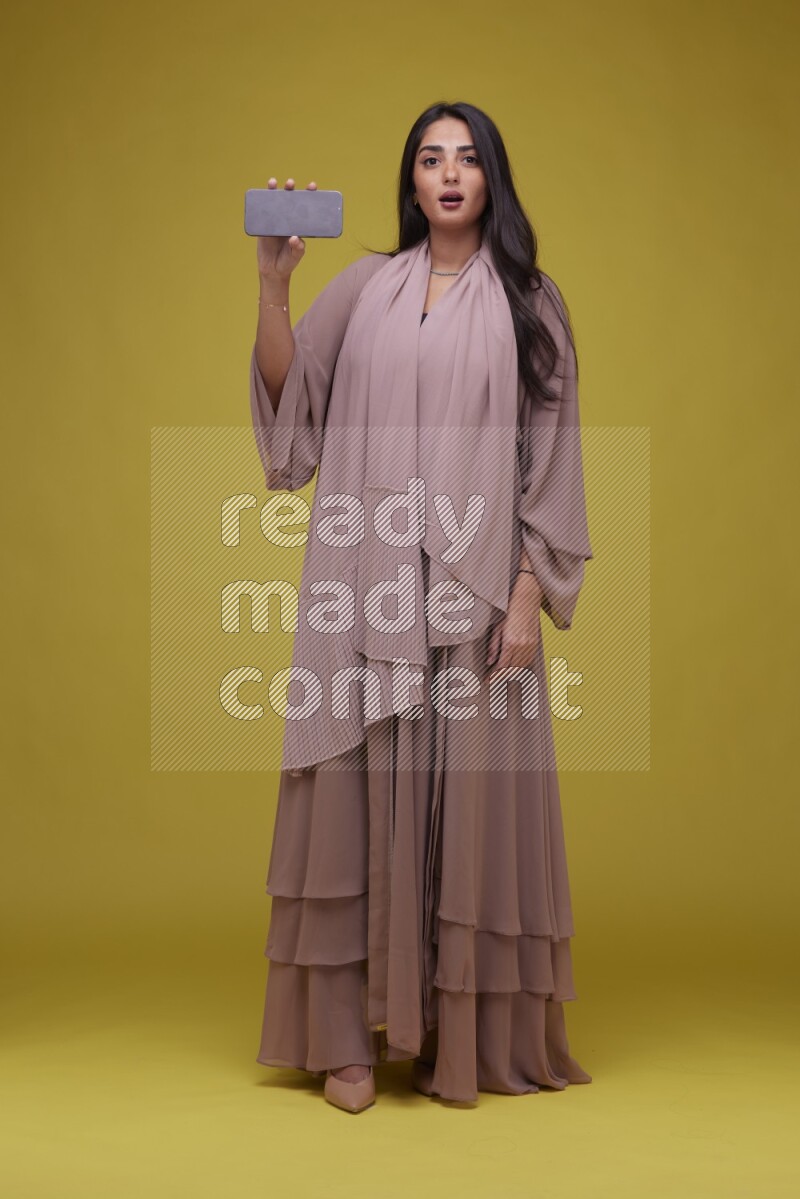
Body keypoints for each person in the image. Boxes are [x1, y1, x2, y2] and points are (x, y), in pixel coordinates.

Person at [249, 100, 594, 1113]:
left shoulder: (533, 303)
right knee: (352, 796)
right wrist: (273, 284)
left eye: (467, 158)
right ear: (409, 181)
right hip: (362, 592)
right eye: (430, 159)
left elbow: (552, 456)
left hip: (479, 590)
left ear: (491, 178)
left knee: (473, 801)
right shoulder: (362, 287)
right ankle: (345, 1037)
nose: (448, 174)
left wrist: (529, 588)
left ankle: (459, 1034)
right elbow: (288, 409)